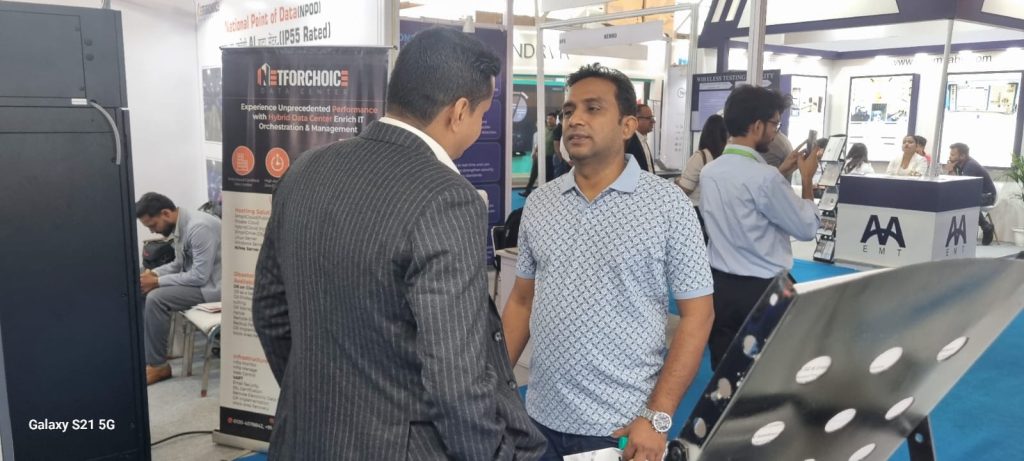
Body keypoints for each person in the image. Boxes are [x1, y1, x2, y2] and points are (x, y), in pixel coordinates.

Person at [251, 27, 546, 460]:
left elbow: (270, 313)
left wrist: (318, 401)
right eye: (483, 114)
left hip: (303, 436)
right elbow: (455, 377)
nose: (480, 127)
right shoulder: (447, 197)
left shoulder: (305, 169)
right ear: (459, 111)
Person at [502, 63, 714, 461]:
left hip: (621, 428)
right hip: (538, 419)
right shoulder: (540, 204)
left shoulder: (668, 205)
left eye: (593, 108)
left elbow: (698, 315)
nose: (575, 120)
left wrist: (657, 417)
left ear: (627, 125)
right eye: (568, 111)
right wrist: (495, 388)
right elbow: (521, 301)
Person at [699, 85, 821, 370]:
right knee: (770, 373)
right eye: (775, 124)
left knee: (725, 372)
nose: (776, 132)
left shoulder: (710, 171)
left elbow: (747, 197)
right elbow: (806, 228)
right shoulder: (765, 178)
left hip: (720, 289)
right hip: (764, 292)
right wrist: (806, 179)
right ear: (757, 126)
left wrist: (782, 172)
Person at [135, 192, 221, 385]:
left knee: (156, 298)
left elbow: (199, 276)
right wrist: (152, 274)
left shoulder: (199, 227)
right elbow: (179, 264)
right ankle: (152, 352)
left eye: (152, 225)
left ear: (165, 213)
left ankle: (158, 366)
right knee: (141, 286)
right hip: (200, 283)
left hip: (213, 287)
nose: (152, 232)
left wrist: (157, 282)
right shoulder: (181, 224)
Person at [676, 114, 729, 242]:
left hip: (697, 212)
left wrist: (676, 181)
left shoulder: (700, 157)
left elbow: (686, 189)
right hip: (718, 212)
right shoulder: (726, 157)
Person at [944, 142, 997, 245]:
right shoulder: (959, 165)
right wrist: (951, 170)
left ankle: (986, 227)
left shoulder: (970, 166)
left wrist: (950, 171)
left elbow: (962, 186)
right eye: (950, 154)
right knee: (961, 199)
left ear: (963, 156)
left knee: (966, 201)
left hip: (988, 196)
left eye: (953, 155)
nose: (950, 157)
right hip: (975, 194)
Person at [523, 111, 559, 194]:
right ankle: (527, 191)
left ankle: (548, 193)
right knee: (533, 173)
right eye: (547, 119)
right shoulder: (544, 129)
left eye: (551, 119)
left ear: (555, 119)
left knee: (549, 176)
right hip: (540, 155)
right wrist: (535, 151)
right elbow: (540, 141)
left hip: (550, 157)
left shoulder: (557, 130)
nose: (548, 120)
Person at [624, 103, 656, 173]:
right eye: (649, 118)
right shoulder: (629, 142)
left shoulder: (642, 139)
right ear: (636, 120)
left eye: (652, 118)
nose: (653, 121)